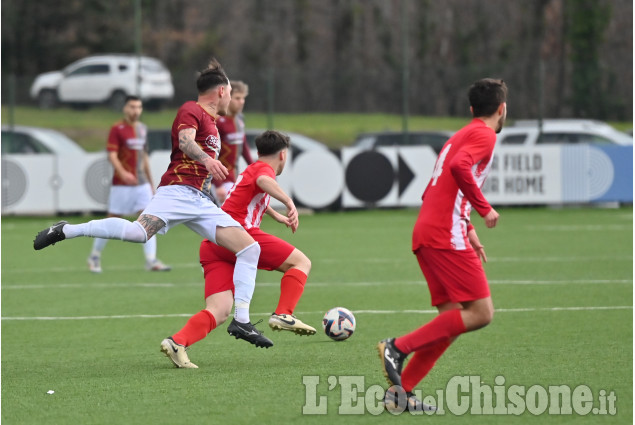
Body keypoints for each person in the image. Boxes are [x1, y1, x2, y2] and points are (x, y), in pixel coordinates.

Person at [33, 59, 271, 348]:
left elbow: (203, 168)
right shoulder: (191, 109)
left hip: (199, 200)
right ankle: (67, 230)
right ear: (221, 91)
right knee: (138, 233)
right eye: (231, 92)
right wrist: (209, 159)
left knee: (249, 249)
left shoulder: (215, 123)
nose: (233, 99)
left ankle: (242, 321)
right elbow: (185, 142)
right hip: (177, 192)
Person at [377, 78, 507, 413]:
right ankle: (397, 347)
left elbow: (437, 189)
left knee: (450, 322)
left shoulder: (460, 135)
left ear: (471, 109)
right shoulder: (485, 135)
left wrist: (469, 227)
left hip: (431, 231)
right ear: (502, 109)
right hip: (444, 235)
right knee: (481, 314)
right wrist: (484, 208)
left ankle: (400, 394)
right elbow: (458, 168)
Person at [161, 130, 315, 368]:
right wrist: (289, 201)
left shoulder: (251, 169)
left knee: (220, 310)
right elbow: (264, 182)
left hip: (213, 244)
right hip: (238, 237)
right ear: (283, 155)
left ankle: (177, 342)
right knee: (301, 263)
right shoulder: (264, 171)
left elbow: (252, 193)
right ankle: (284, 313)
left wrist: (275, 215)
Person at [88, 95, 171, 273]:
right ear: (125, 108)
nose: (136, 110)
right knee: (112, 220)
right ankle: (94, 256)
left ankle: (151, 260)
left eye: (139, 107)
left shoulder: (142, 129)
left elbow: (145, 158)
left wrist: (151, 183)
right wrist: (122, 172)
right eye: (132, 106)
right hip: (122, 185)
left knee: (150, 219)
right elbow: (112, 155)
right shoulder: (117, 129)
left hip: (141, 184)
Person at [214, 80, 254, 204]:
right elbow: (210, 153)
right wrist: (218, 184)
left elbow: (243, 146)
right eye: (237, 98)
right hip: (218, 180)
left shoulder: (239, 119)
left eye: (243, 98)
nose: (241, 102)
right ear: (228, 97)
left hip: (232, 176)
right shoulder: (217, 120)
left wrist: (254, 168)